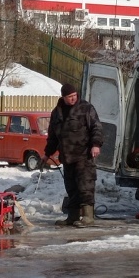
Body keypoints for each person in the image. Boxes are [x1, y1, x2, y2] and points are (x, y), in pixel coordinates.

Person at [41, 83, 103, 228]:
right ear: (63, 97)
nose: (73, 99)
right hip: (67, 156)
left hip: (84, 155)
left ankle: (88, 216)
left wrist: (96, 144)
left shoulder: (86, 108)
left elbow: (97, 127)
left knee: (85, 184)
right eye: (70, 97)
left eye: (75, 95)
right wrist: (46, 154)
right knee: (71, 187)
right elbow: (53, 137)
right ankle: (73, 216)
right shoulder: (57, 112)